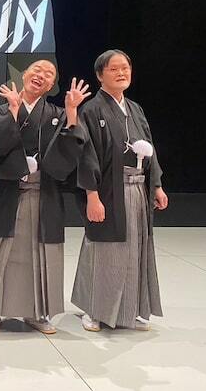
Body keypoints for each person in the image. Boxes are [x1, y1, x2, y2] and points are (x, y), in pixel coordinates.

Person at [0, 61, 89, 335]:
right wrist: (13, 112)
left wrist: (72, 112)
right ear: (25, 74)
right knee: (4, 252)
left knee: (41, 254)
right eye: (37, 70)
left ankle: (37, 312)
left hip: (45, 194)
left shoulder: (58, 114)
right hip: (11, 193)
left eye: (49, 74)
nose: (41, 75)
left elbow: (70, 154)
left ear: (51, 86)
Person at [72, 49, 168, 331]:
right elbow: (86, 155)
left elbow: (150, 149)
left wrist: (157, 185)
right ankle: (94, 309)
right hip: (108, 189)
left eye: (125, 68)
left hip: (137, 188)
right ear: (100, 75)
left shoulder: (135, 109)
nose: (121, 73)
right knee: (104, 249)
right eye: (114, 69)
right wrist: (92, 195)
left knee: (135, 248)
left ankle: (129, 310)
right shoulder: (92, 109)